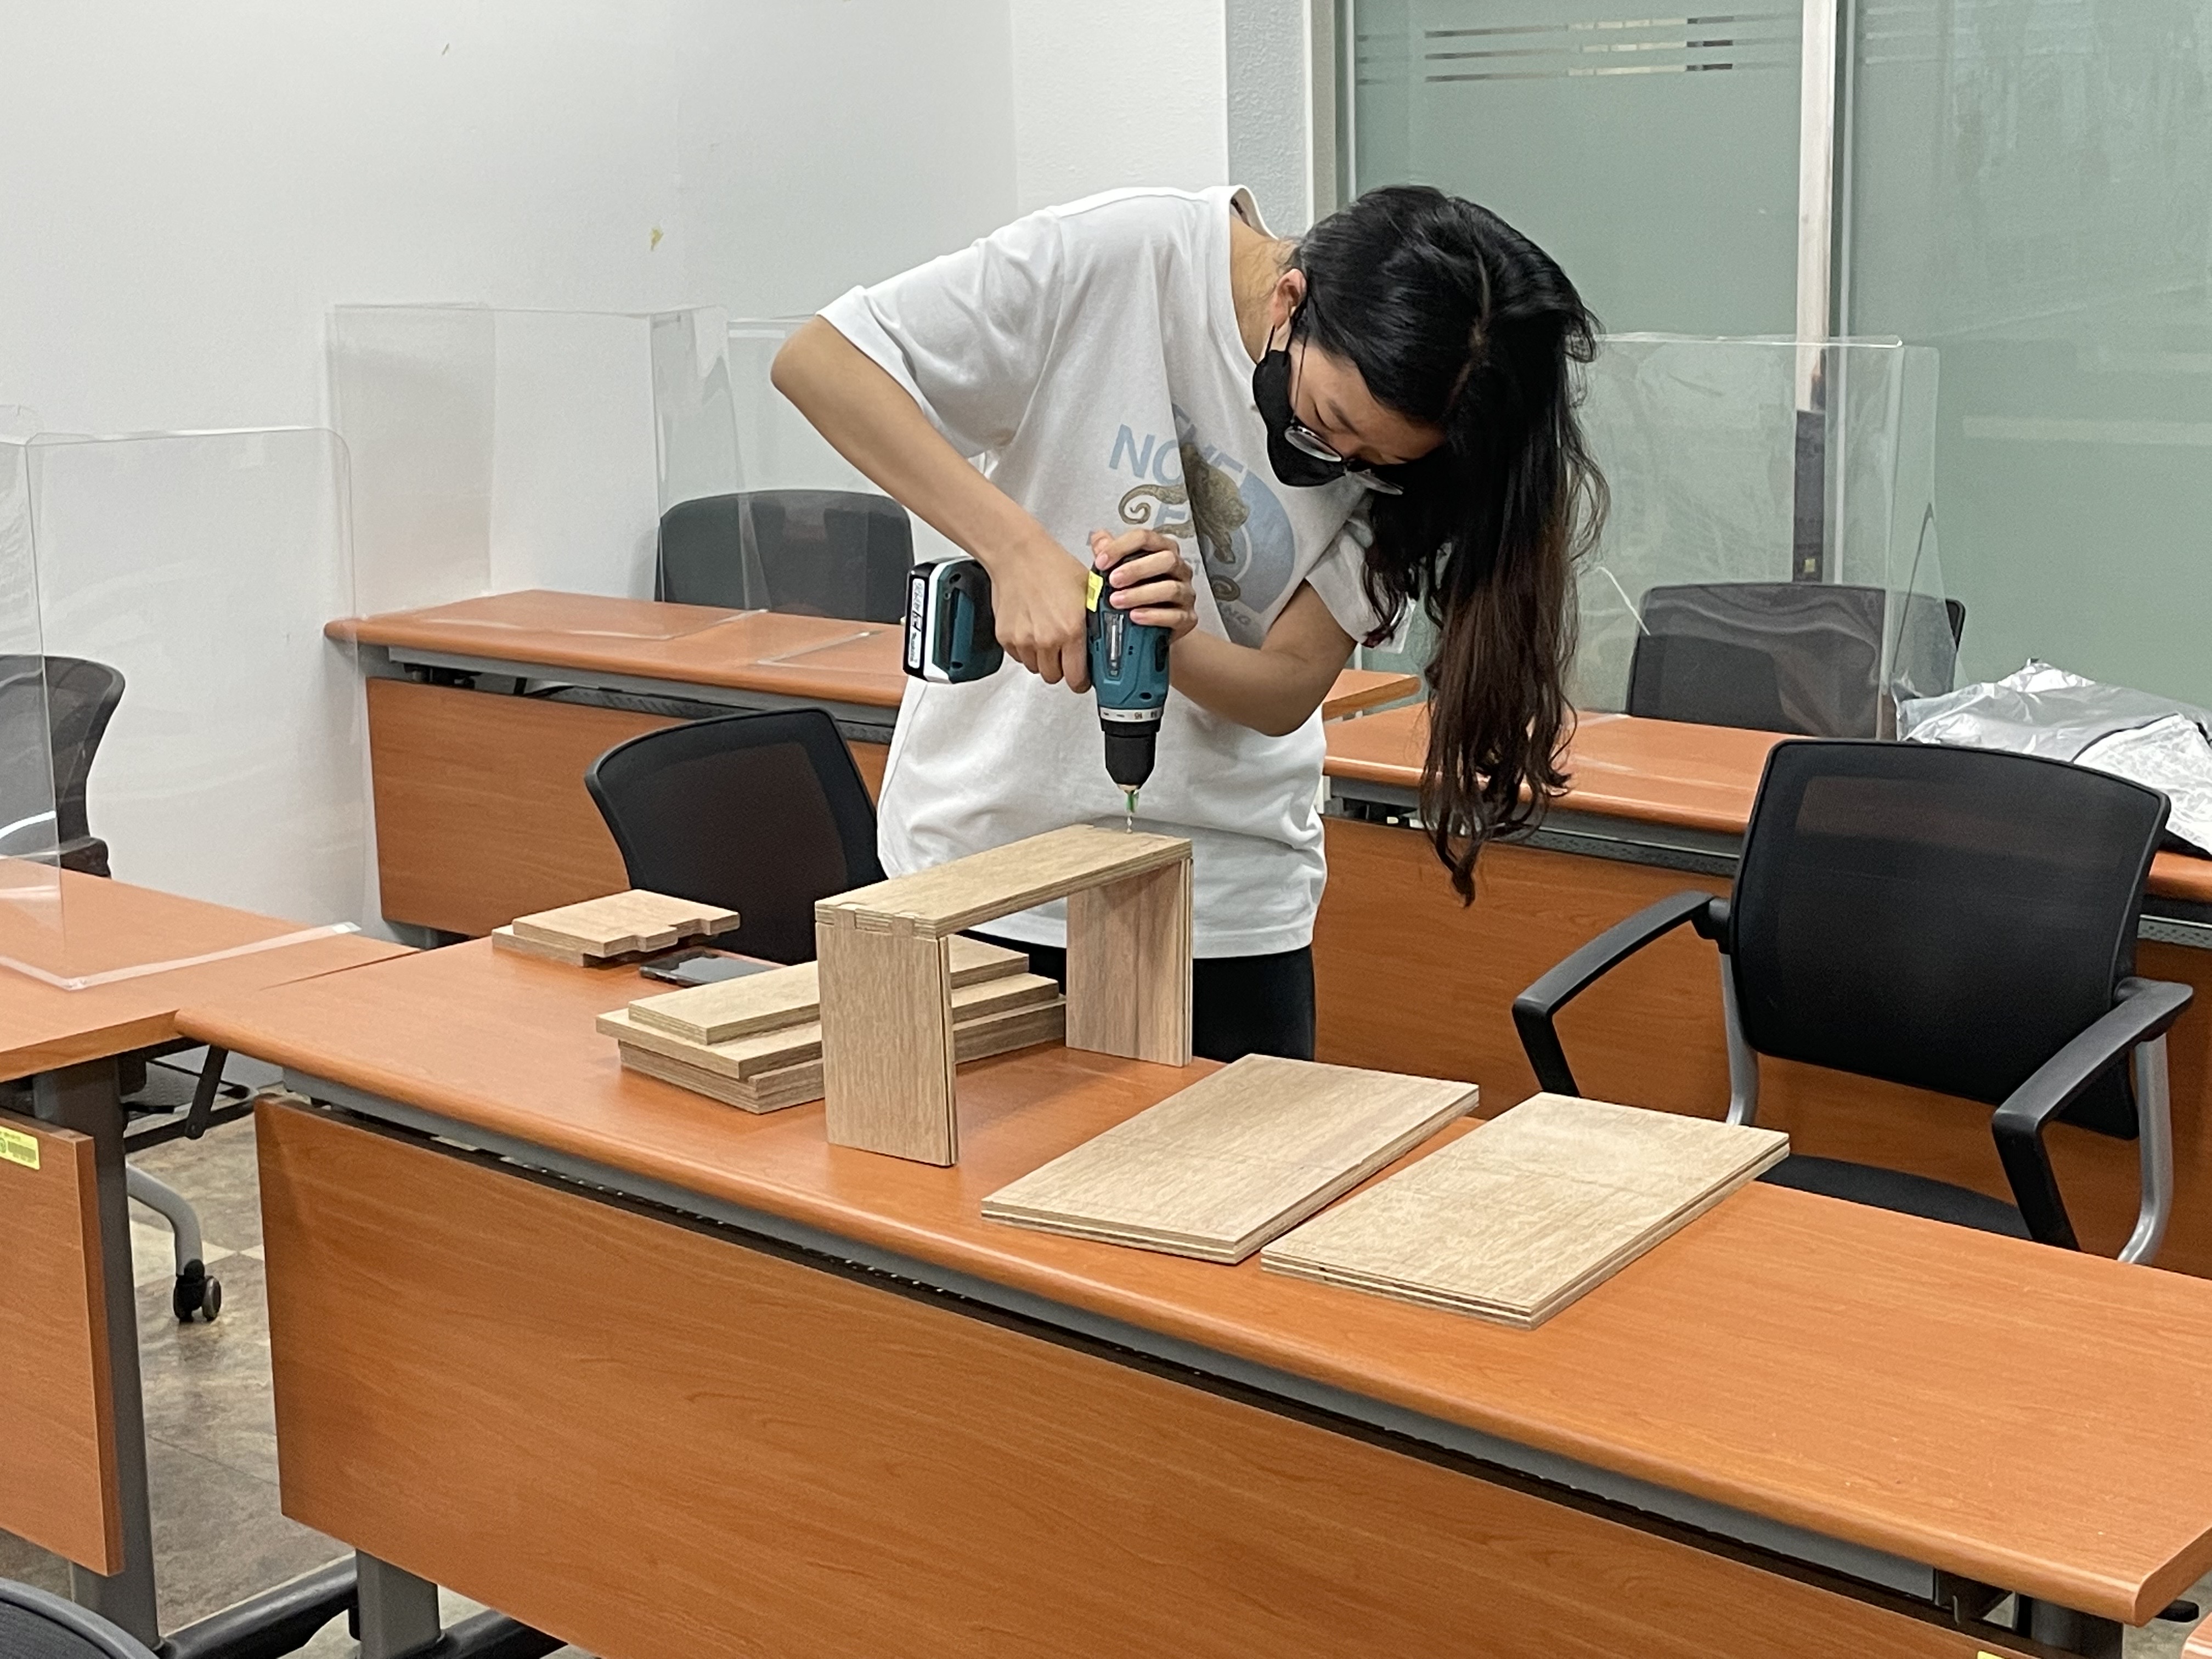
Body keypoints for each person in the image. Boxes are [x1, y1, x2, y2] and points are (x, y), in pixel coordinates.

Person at [772, 183, 1604, 1062]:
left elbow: (1287, 688)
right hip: (980, 864)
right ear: (1292, 301)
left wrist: (1174, 639)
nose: (1337, 461)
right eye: (1331, 422)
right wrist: (1016, 551)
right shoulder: (1120, 258)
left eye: (1374, 460)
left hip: (1225, 904)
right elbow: (821, 362)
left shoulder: (1417, 466)